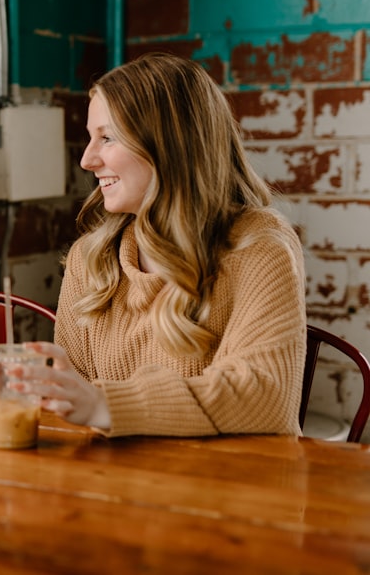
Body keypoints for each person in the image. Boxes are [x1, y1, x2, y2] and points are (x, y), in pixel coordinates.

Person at [27, 53, 306, 437]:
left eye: (107, 138)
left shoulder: (259, 247)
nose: (86, 160)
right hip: (120, 485)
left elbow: (263, 395)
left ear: (169, 145)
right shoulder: (90, 259)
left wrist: (105, 404)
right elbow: (73, 408)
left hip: (236, 487)